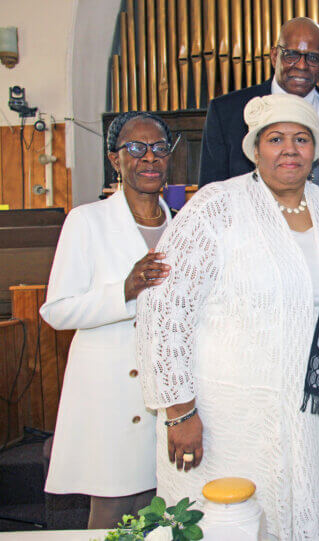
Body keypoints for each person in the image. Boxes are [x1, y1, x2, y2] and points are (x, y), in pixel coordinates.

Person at [137, 94, 319, 539]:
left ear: (315, 150)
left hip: (314, 410)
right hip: (230, 413)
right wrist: (178, 411)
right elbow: (165, 307)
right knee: (236, 521)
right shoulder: (216, 205)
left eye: (302, 139)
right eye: (276, 139)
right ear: (254, 148)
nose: (290, 149)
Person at [40, 111, 175, 528]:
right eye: (135, 148)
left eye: (157, 148)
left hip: (165, 392)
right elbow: (57, 310)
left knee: (163, 512)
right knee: (113, 514)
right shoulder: (87, 221)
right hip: (112, 392)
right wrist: (124, 290)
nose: (148, 158)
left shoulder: (182, 224)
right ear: (114, 160)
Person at [198, 17, 319, 188]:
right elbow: (210, 193)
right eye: (292, 55)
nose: (302, 66)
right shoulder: (226, 112)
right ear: (274, 56)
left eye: (313, 57)